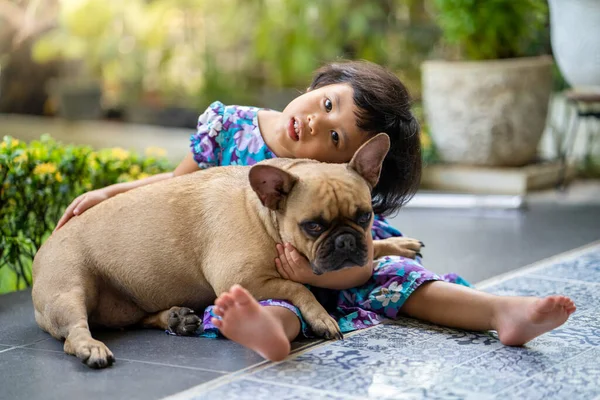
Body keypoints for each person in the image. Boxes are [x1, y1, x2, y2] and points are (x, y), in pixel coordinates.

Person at [55, 60, 576, 362]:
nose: (317, 127)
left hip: (330, 251)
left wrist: (362, 245)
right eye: (327, 106)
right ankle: (270, 335)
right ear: (315, 85)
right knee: (267, 303)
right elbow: (175, 187)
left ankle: (497, 311)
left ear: (354, 164)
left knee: (399, 275)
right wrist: (113, 191)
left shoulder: (334, 192)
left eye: (335, 138)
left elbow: (352, 249)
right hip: (264, 269)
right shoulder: (229, 127)